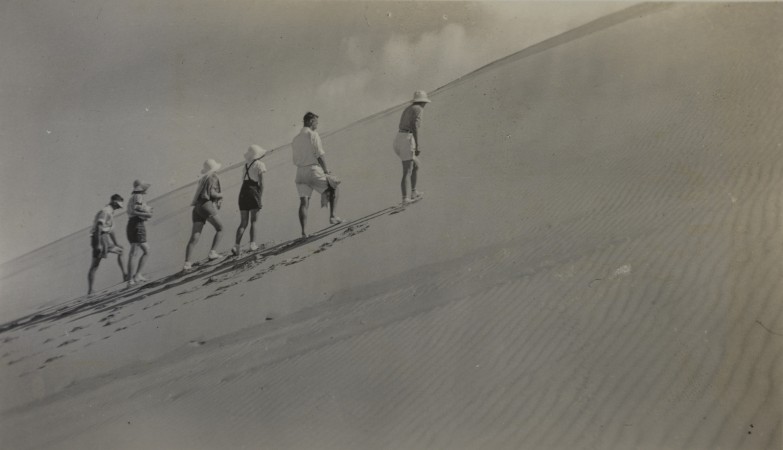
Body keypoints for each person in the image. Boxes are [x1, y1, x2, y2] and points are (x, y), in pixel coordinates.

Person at [292, 111, 341, 237]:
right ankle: (333, 216)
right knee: (334, 186)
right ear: (310, 121)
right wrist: (326, 171)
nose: (317, 125)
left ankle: (303, 232)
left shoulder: (295, 139)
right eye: (316, 122)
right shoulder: (313, 134)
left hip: (300, 173)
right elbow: (320, 155)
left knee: (304, 202)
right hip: (312, 169)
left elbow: (295, 159)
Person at [183, 159, 224, 271]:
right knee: (220, 228)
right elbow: (212, 193)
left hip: (197, 207)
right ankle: (212, 252)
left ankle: (187, 263)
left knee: (195, 236)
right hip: (206, 205)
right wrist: (221, 195)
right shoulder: (213, 177)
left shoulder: (203, 179)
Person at [393, 90, 430, 204]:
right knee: (407, 170)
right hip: (406, 139)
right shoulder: (418, 109)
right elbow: (414, 127)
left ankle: (413, 192)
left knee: (415, 165)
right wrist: (417, 144)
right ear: (423, 101)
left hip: (399, 138)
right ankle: (405, 198)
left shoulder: (409, 108)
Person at [88, 194, 128, 295]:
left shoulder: (110, 212)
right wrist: (98, 245)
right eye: (118, 205)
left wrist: (116, 243)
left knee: (120, 251)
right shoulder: (105, 212)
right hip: (100, 238)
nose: (119, 207)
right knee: (95, 265)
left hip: (103, 238)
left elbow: (111, 231)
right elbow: (99, 228)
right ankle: (90, 290)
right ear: (114, 202)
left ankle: (125, 275)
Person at [232, 145, 267, 256]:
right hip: (253, 191)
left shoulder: (246, 165)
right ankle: (252, 244)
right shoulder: (260, 164)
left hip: (243, 192)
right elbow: (261, 183)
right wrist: (259, 197)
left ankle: (236, 246)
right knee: (254, 221)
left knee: (243, 222)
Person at [126, 180, 153, 286]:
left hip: (131, 224)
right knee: (135, 252)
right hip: (137, 224)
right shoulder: (138, 196)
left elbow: (131, 211)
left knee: (144, 250)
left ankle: (136, 275)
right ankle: (131, 279)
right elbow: (135, 210)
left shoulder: (132, 198)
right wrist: (147, 214)